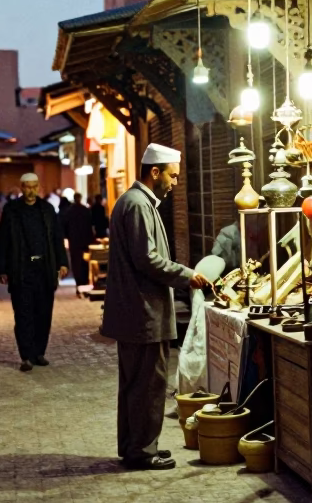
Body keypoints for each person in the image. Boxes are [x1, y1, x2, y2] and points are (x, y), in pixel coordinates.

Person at [100, 145, 209, 470]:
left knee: (136, 384)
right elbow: (147, 259)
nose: (175, 182)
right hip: (142, 313)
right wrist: (188, 276)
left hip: (136, 312)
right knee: (148, 385)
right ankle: (142, 451)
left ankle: (135, 447)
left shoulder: (135, 203)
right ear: (155, 172)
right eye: (173, 175)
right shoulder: (138, 205)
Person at [0, 172, 68, 371]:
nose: (31, 190)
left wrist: (62, 262)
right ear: (21, 187)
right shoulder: (12, 210)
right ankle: (26, 355)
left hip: (44, 269)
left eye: (34, 186)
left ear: (39, 188)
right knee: (23, 313)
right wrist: (0, 267)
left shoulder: (47, 209)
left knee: (43, 312)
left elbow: (57, 238)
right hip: (21, 269)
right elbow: (3, 240)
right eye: (27, 186)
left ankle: (39, 352)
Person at [63, 192, 96, 287]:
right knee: (84, 260)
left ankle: (78, 280)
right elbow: (90, 225)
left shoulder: (69, 211)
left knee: (75, 261)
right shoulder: (85, 210)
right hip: (85, 240)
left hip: (74, 240)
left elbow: (65, 226)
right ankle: (84, 280)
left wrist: (67, 237)